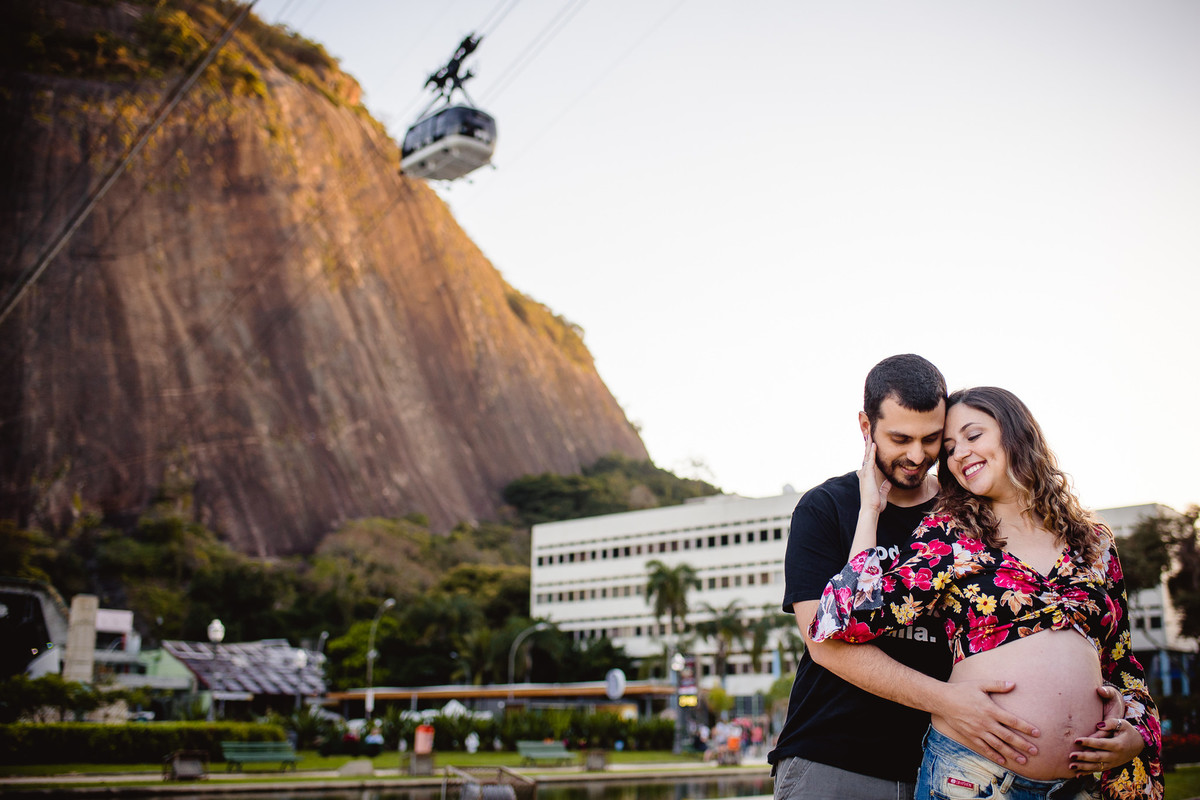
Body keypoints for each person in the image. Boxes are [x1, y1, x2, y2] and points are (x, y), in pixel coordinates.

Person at [810, 387, 1162, 800]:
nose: (959, 454)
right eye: (950, 448)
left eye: (973, 436)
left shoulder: (1094, 542)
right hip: (974, 778)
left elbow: (1121, 662)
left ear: (1016, 432)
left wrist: (1136, 734)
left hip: (1083, 785)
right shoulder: (951, 535)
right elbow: (844, 619)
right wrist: (869, 509)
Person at [770, 354, 1048, 800]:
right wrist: (947, 700)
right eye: (900, 438)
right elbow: (825, 644)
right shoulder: (825, 507)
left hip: (948, 766)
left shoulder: (970, 513)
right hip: (835, 759)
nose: (917, 455)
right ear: (866, 426)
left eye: (931, 439)